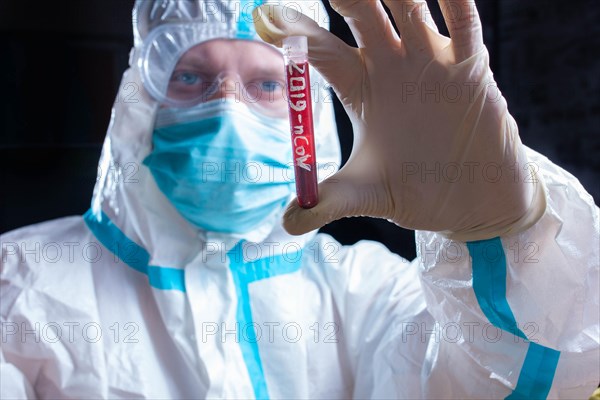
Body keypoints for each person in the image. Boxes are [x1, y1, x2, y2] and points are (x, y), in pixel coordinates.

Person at [1, 0, 598, 398]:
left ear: (307, 115)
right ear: (142, 101)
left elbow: (506, 379)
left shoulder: (368, 293)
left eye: (265, 84)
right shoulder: (19, 286)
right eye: (193, 79)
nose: (228, 111)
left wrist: (504, 236)